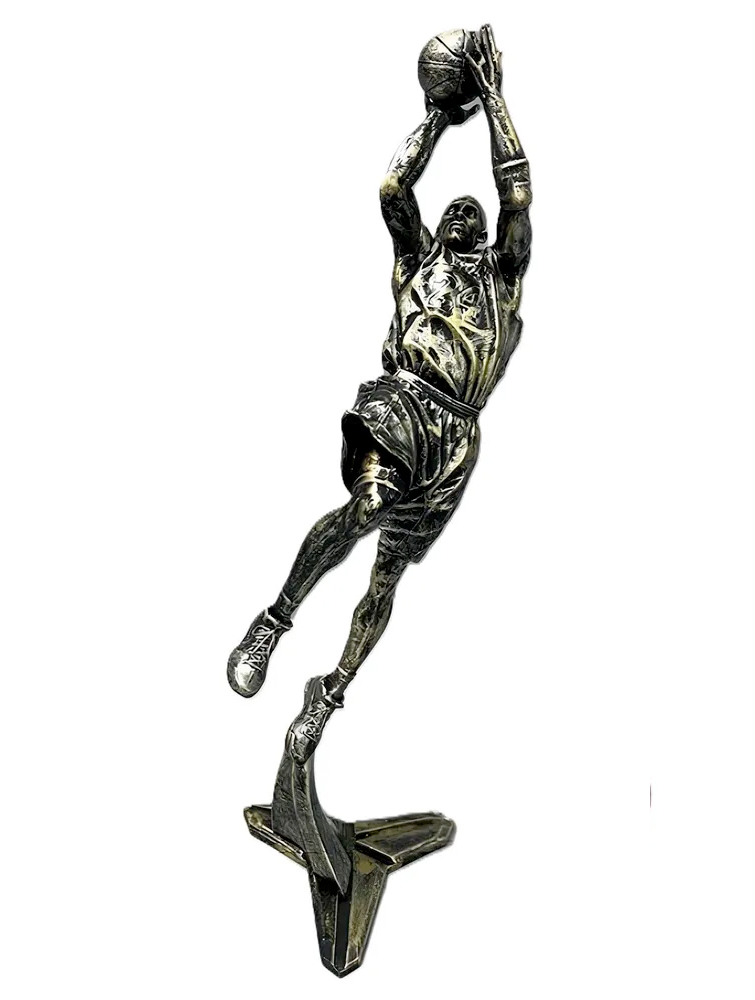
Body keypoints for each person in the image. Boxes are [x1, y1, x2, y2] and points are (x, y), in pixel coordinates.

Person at [227, 25, 532, 764]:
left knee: (386, 577)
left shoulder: (503, 279)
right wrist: (438, 117)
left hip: (456, 436)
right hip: (401, 401)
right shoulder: (416, 260)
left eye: (472, 211)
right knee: (365, 507)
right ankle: (274, 620)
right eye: (451, 209)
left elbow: (517, 191)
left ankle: (327, 697)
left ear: (485, 233)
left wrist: (495, 99)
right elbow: (394, 189)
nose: (461, 211)